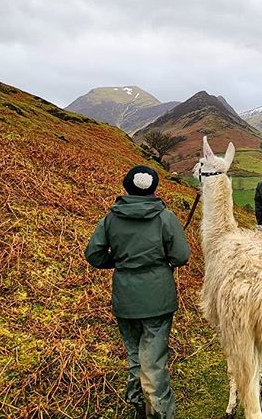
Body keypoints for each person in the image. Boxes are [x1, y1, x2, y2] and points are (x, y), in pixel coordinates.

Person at [85, 165, 190, 419]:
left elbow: (94, 255)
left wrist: (120, 262)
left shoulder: (111, 218)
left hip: (125, 298)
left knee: (135, 357)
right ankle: (159, 413)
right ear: (154, 188)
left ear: (126, 187)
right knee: (154, 362)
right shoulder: (165, 217)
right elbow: (181, 256)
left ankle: (138, 407)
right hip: (158, 299)